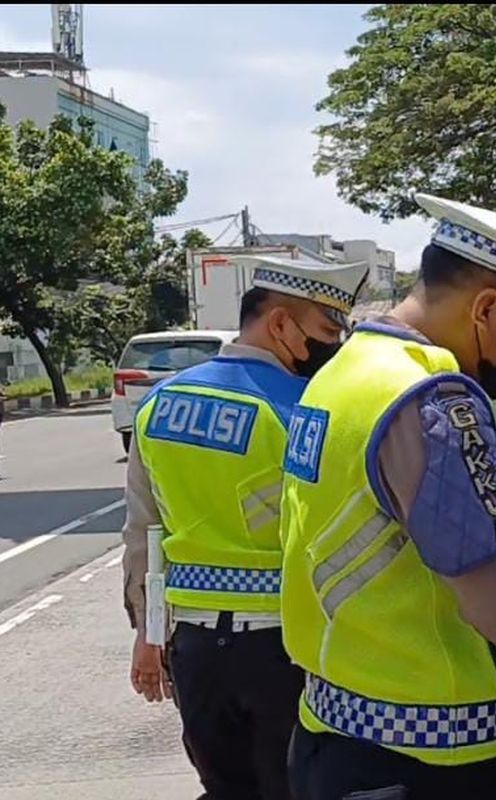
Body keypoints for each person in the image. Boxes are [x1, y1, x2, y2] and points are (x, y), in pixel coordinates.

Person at [281, 194, 496, 800]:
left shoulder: (346, 371)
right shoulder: (434, 400)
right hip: (427, 762)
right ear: (485, 308)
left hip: (335, 728)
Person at [121, 255, 369, 800]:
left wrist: (149, 631)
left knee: (224, 787)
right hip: (287, 649)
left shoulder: (158, 405)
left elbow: (144, 533)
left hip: (195, 651)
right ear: (280, 323)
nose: (335, 346)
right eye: (328, 330)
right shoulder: (308, 409)